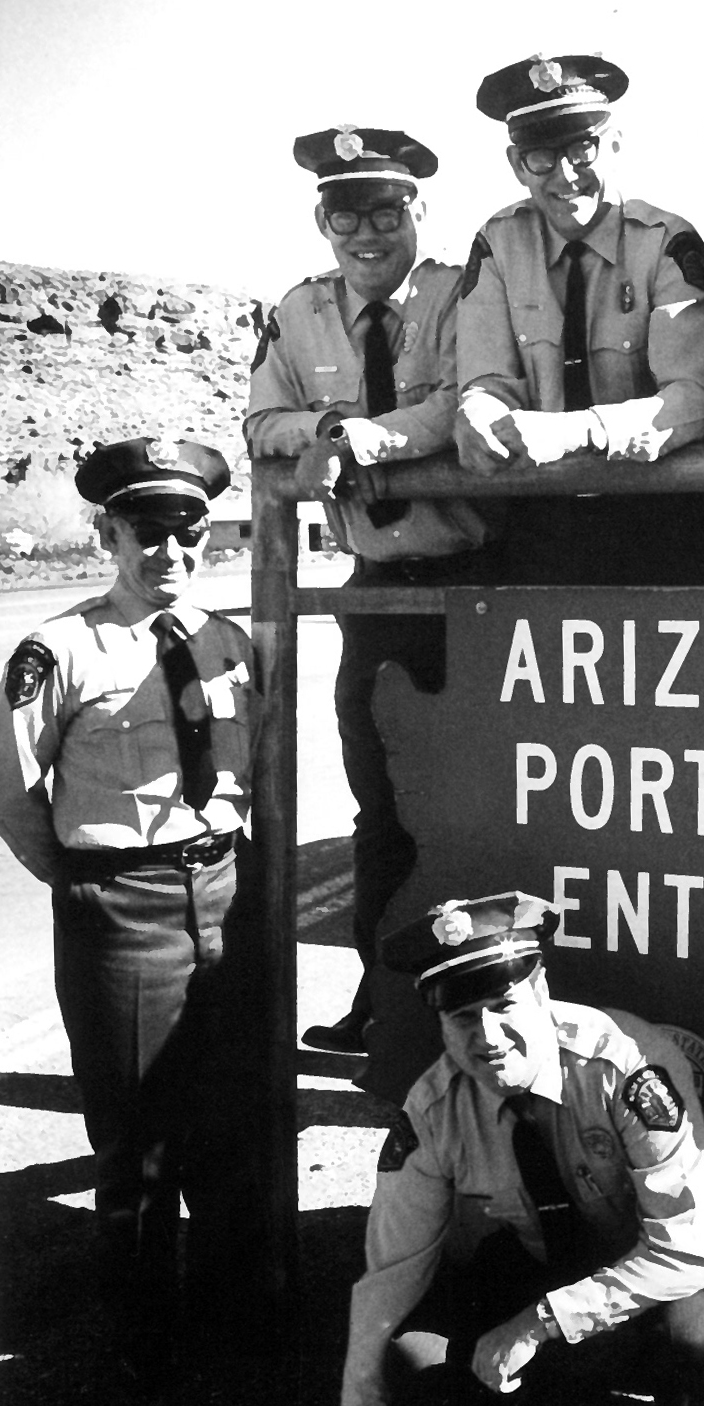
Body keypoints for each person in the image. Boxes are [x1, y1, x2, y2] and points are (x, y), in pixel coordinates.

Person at [327, 891, 704, 1406]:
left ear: (541, 989)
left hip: (661, 1256)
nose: (486, 1036)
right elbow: (387, 1278)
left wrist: (539, 1321)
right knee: (412, 1359)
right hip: (542, 1256)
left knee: (694, 1335)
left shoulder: (625, 1068)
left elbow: (689, 1248)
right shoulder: (434, 1110)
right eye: (463, 1016)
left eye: (502, 1006)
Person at [0, 438, 261, 1389]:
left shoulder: (229, 642)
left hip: (222, 894)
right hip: (123, 905)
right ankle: (145, 1335)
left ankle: (239, 1320)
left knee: (229, 1121)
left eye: (187, 533)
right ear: (110, 533)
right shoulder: (59, 648)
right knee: (139, 1133)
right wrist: (83, 882)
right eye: (147, 534)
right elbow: (14, 792)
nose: (170, 553)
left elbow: (249, 769)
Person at [247, 125, 496, 1055]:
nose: (366, 231)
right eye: (345, 211)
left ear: (417, 213)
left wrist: (368, 440)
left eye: (386, 209)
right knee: (379, 802)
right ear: (322, 220)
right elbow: (263, 417)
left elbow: (466, 397)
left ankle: (487, 998)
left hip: (475, 582)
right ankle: (379, 995)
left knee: (482, 801)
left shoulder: (461, 291)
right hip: (375, 587)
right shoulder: (300, 311)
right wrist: (325, 422)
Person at [454, 54, 704, 585]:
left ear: (615, 145)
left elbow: (693, 399)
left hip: (660, 522)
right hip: (542, 523)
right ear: (516, 164)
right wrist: (477, 413)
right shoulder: (498, 244)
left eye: (583, 148)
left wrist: (576, 432)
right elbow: (488, 378)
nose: (565, 174)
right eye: (541, 157)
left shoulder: (668, 241)